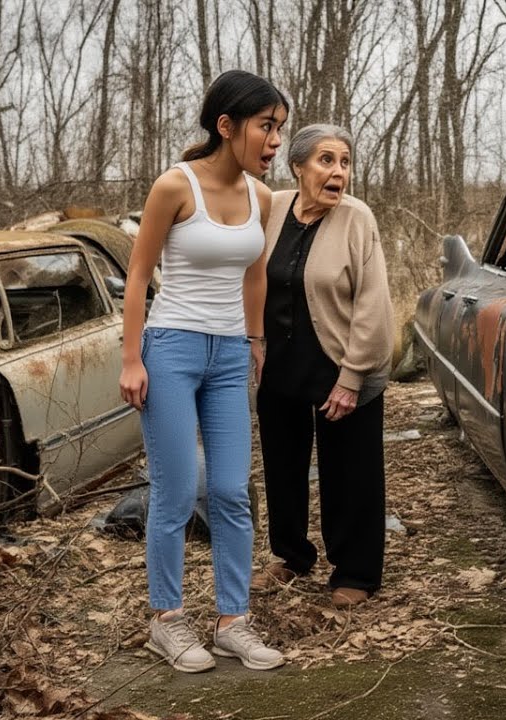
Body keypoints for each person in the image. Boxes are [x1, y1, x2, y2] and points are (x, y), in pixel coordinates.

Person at [119, 70, 288, 673]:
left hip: (230, 356)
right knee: (174, 494)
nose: (275, 141)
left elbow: (255, 275)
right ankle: (166, 620)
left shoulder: (261, 198)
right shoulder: (175, 185)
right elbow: (138, 276)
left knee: (231, 492)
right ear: (227, 125)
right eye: (266, 126)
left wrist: (255, 339)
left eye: (280, 128)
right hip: (171, 349)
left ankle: (232, 622)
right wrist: (131, 358)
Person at [250, 124, 395, 608]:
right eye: (326, 160)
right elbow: (250, 277)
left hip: (341, 363)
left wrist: (353, 377)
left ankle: (354, 571)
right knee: (282, 467)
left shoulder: (357, 218)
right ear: (298, 166)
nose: (339, 172)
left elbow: (373, 303)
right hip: (280, 365)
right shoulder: (271, 207)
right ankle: (292, 556)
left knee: (351, 471)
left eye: (345, 162)